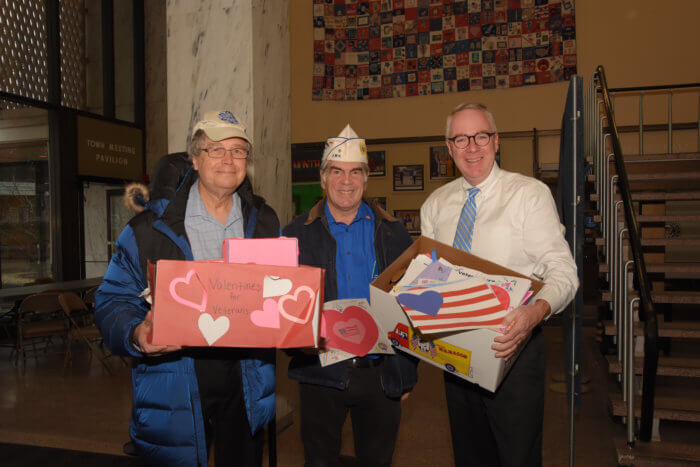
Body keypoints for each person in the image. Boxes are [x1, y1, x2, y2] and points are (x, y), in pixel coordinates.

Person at [95, 110, 279, 467]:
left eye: (238, 151)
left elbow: (279, 290)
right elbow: (111, 299)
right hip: (176, 376)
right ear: (194, 159)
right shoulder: (149, 229)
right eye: (216, 149)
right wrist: (135, 332)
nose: (229, 159)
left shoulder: (265, 220)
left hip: (247, 376)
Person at [421, 103, 578, 467]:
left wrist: (535, 312)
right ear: (449, 148)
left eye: (480, 136)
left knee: (517, 456)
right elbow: (429, 279)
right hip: (455, 354)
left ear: (496, 141)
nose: (472, 147)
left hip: (514, 350)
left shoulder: (529, 196)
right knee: (470, 456)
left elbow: (563, 271)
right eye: (461, 138)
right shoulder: (435, 206)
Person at [283, 124, 418, 467]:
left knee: (378, 460)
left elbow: (413, 308)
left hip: (380, 372)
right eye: (337, 172)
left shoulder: (395, 234)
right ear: (323, 178)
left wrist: (405, 373)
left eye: (355, 172)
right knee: (319, 461)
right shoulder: (294, 235)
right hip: (320, 374)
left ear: (366, 178)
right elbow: (281, 309)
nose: (346, 181)